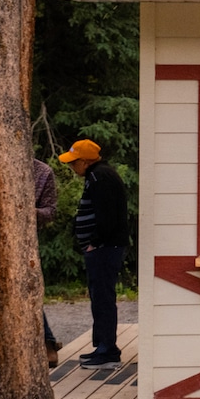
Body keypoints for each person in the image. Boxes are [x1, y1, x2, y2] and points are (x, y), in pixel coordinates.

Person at [60, 139, 129, 370]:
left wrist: (95, 242)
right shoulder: (97, 175)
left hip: (104, 248)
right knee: (98, 297)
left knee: (103, 298)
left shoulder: (100, 177)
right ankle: (102, 346)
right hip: (102, 248)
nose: (71, 168)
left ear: (85, 161)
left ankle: (108, 350)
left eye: (73, 163)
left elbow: (107, 215)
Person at [33, 158, 63, 368]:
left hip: (25, 242)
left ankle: (48, 343)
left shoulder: (43, 172)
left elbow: (51, 211)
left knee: (28, 294)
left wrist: (26, 211)